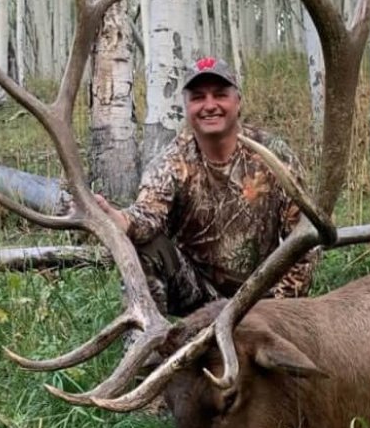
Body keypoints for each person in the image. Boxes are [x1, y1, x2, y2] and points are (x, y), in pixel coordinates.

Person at [95, 56, 318, 316]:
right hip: (199, 295)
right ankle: (150, 337)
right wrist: (121, 220)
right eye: (198, 97)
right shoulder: (173, 162)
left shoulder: (273, 155)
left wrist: (280, 309)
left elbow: (304, 237)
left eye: (220, 95)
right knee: (145, 246)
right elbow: (147, 215)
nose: (210, 106)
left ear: (238, 101)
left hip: (263, 297)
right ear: (186, 106)